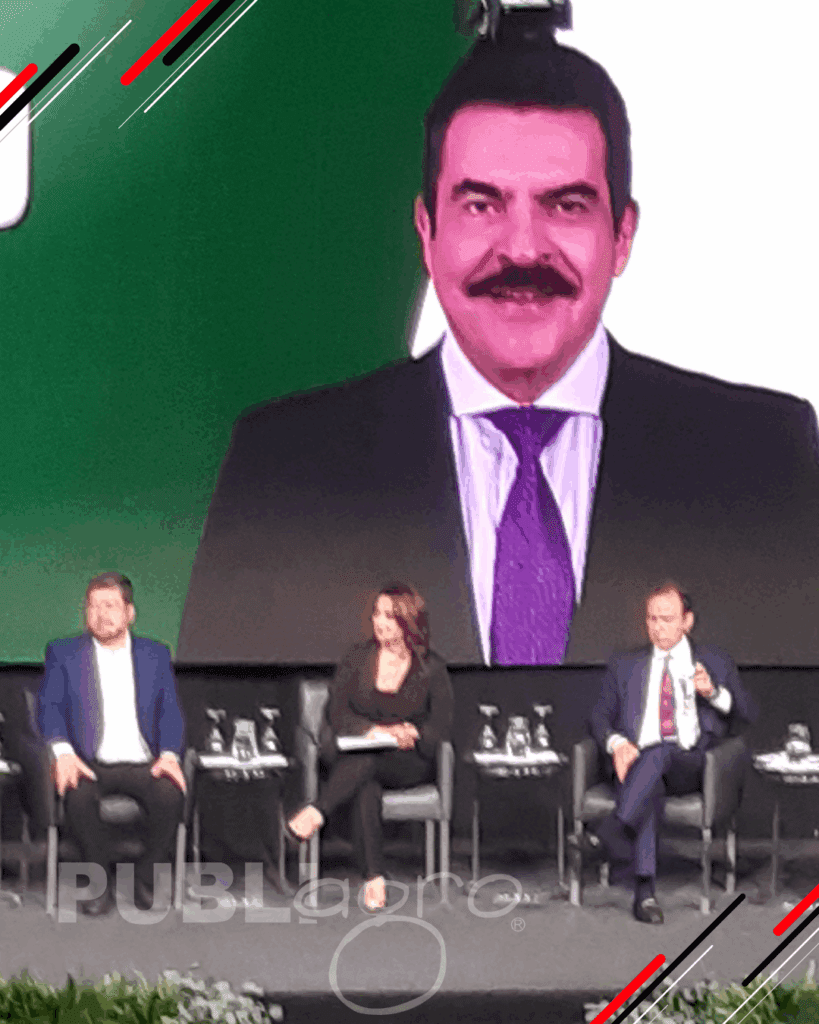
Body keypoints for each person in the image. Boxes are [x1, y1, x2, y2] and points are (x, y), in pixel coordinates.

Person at [177, 8, 819, 667]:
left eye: (565, 205)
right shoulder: (281, 472)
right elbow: (214, 727)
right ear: (426, 232)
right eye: (481, 205)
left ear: (622, 236)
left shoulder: (764, 464)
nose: (522, 249)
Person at [583, 583, 757, 924]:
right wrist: (617, 744)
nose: (658, 628)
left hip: (690, 765)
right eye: (652, 619)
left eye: (667, 619)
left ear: (686, 622)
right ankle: (644, 893)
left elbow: (746, 714)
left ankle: (613, 829)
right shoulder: (625, 665)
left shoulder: (713, 661)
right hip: (635, 765)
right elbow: (599, 717)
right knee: (649, 781)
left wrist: (713, 693)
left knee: (659, 753)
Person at [287, 583, 454, 911]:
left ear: (408, 621)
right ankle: (374, 878)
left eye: (389, 616)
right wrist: (377, 730)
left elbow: (441, 726)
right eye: (377, 614)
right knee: (366, 784)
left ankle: (317, 811)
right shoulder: (356, 658)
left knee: (370, 765)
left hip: (405, 761)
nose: (380, 622)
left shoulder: (432, 668)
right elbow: (337, 713)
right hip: (354, 755)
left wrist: (413, 732)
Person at [37, 572, 186, 916]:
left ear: (129, 613)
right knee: (77, 796)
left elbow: (170, 712)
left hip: (144, 763)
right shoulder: (64, 653)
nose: (101, 614)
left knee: (170, 794)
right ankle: (99, 879)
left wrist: (169, 755)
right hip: (90, 762)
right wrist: (63, 753)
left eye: (110, 606)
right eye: (93, 606)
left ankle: (144, 877)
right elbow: (49, 707)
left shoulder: (155, 654)